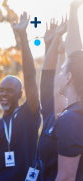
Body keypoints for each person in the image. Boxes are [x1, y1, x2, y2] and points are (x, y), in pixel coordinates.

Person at [0, 12, 41, 181]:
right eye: (2, 90)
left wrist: (23, 37)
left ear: (20, 94)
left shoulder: (28, 114)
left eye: (9, 90)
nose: (4, 94)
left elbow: (30, 75)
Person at [39, 0, 83, 180]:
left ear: (68, 77)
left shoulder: (71, 119)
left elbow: (66, 177)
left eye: (62, 68)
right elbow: (77, 57)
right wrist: (73, 11)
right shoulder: (72, 114)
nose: (59, 72)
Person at [36, 18, 68, 181]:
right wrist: (53, 42)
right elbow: (48, 76)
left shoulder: (75, 117)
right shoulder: (49, 108)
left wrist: (61, 50)